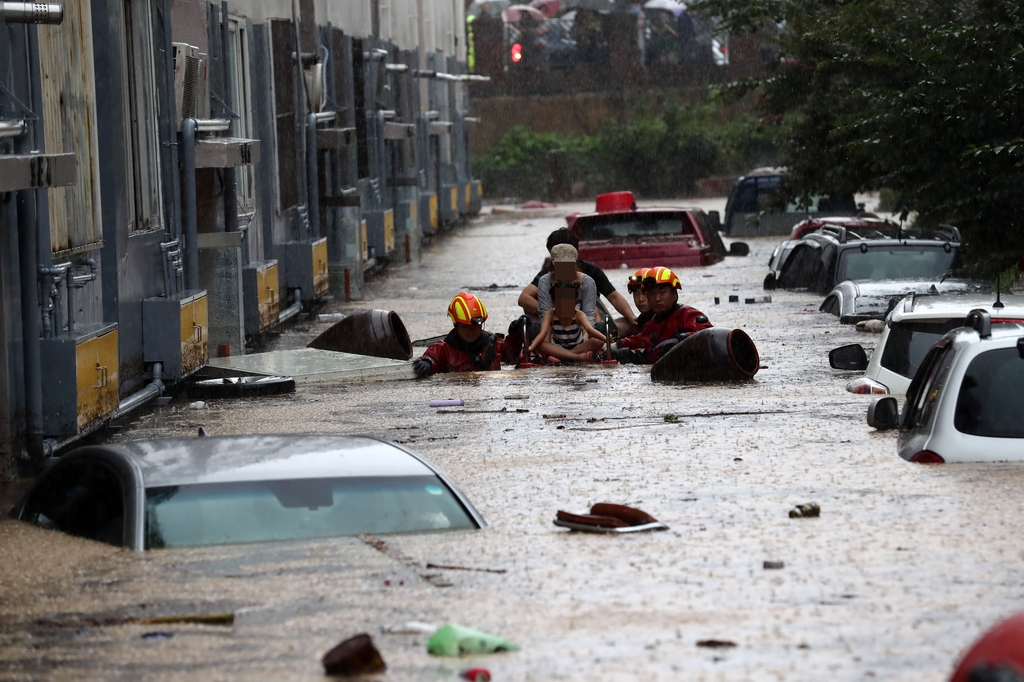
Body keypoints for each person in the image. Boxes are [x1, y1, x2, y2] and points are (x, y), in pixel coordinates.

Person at [518, 228, 638, 333]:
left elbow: (614, 297)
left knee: (627, 324)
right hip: (556, 325)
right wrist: (554, 313)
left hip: (588, 321)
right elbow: (524, 298)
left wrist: (632, 317)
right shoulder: (546, 275)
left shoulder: (591, 272)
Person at [612, 266, 713, 364]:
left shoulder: (687, 314)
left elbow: (708, 336)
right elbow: (648, 357)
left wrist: (679, 341)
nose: (657, 299)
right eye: (652, 294)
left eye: (662, 292)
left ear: (674, 293)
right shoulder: (651, 326)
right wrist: (620, 354)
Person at [413, 292, 524, 377]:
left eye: (475, 326)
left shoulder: (492, 343)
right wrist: (427, 364)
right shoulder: (443, 349)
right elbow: (431, 358)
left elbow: (512, 356)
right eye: (465, 326)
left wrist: (515, 333)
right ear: (456, 326)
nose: (471, 331)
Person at [530, 244, 606, 362]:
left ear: (574, 265)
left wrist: (585, 340)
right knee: (536, 336)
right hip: (555, 333)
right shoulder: (544, 281)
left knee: (600, 331)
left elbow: (589, 316)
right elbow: (545, 315)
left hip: (579, 333)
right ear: (553, 267)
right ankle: (573, 356)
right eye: (561, 266)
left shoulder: (587, 282)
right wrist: (546, 345)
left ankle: (565, 355)